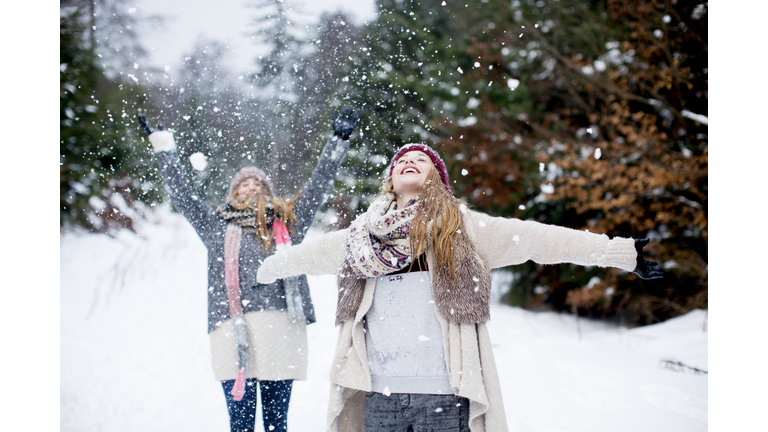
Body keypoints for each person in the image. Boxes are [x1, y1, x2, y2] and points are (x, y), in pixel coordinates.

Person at [255, 143, 663, 432]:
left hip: (445, 393)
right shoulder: (360, 239)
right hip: (379, 393)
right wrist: (269, 267)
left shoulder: (463, 226)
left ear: (437, 178)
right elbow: (306, 256)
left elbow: (537, 239)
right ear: (390, 180)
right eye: (402, 161)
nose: (410, 162)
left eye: (421, 160)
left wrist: (619, 253)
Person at [136, 108, 360, 432]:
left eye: (258, 183)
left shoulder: (288, 224)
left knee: (275, 424)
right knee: (240, 424)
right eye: (244, 183)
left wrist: (337, 142)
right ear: (234, 191)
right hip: (230, 325)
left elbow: (317, 186)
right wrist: (163, 147)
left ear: (268, 191)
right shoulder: (215, 226)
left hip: (281, 326)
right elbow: (183, 196)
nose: (251, 187)